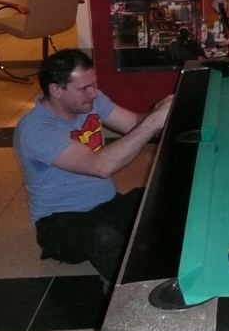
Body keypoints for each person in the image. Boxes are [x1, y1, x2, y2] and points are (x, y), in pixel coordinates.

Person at [13, 49, 172, 285]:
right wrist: (156, 121)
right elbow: (101, 166)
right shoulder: (36, 130)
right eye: (84, 88)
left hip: (107, 205)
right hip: (60, 221)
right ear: (56, 90)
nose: (94, 93)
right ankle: (135, 293)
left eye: (94, 85)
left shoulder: (91, 101)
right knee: (102, 236)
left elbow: (133, 123)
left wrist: (160, 111)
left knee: (162, 199)